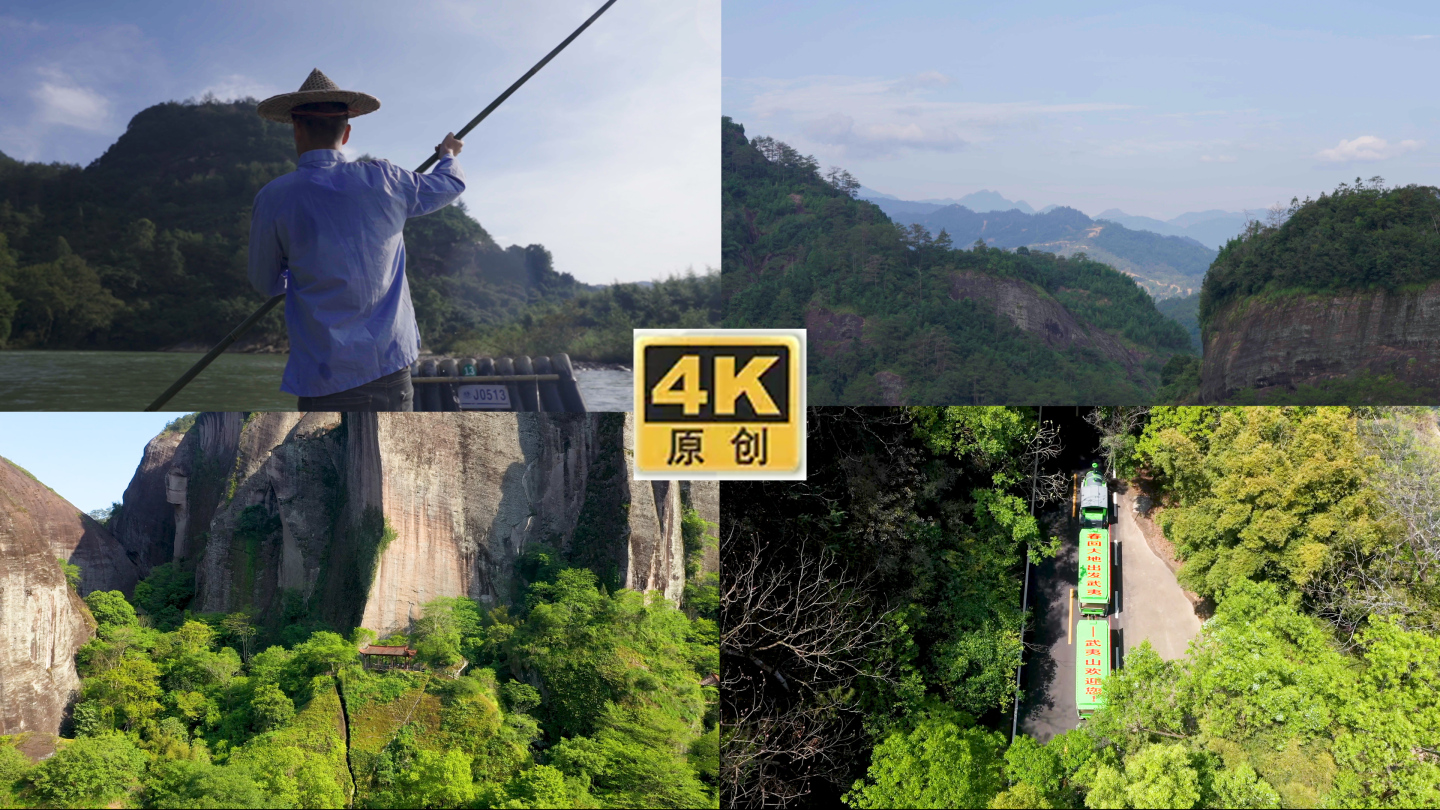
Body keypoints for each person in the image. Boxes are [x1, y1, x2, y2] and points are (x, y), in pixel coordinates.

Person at [248, 68, 466, 411]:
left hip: (322, 378)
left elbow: (265, 281)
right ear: (346, 132)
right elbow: (448, 186)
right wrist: (448, 155)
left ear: (297, 128)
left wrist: (295, 276)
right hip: (389, 367)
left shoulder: (274, 197)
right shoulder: (384, 179)